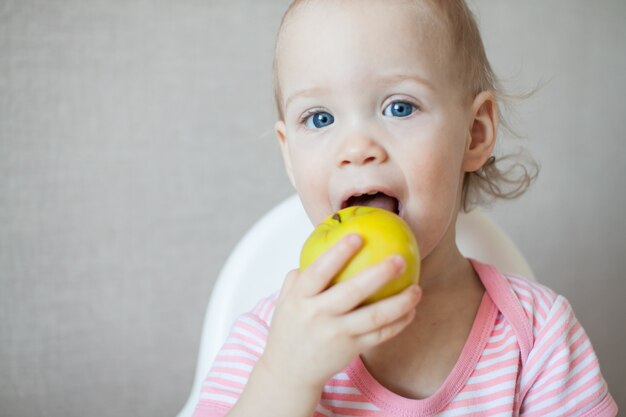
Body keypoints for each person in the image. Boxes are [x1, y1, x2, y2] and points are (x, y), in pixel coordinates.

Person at [193, 0, 618, 416]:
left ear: (474, 134)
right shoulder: (269, 342)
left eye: (399, 107)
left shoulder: (539, 336)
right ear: (289, 156)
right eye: (320, 118)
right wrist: (285, 377)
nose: (357, 149)